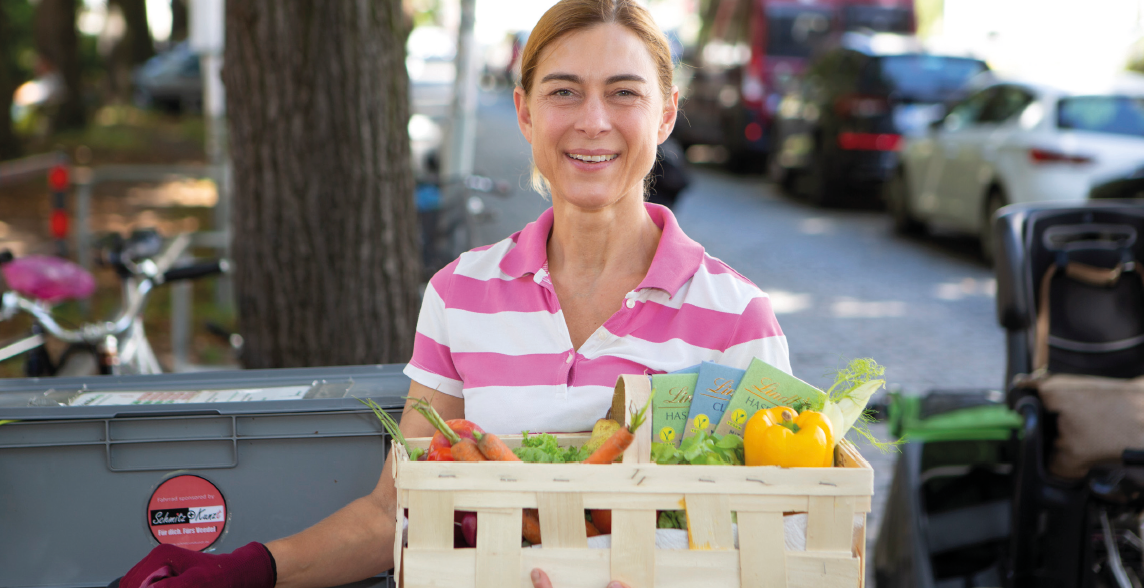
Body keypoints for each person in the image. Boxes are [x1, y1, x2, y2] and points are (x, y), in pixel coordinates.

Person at [117, 1, 789, 587]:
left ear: (666, 114)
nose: (592, 120)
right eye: (563, 91)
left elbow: (788, 538)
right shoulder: (461, 293)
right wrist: (248, 569)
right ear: (524, 112)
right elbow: (397, 510)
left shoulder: (738, 318)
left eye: (623, 93)